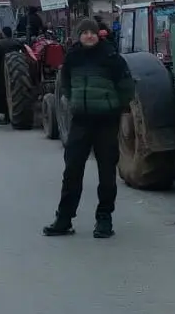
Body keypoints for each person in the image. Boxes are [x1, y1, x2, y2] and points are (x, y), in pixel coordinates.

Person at [44, 18, 135, 240]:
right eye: (84, 33)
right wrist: (73, 100)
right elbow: (64, 83)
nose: (88, 36)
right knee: (72, 170)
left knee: (106, 174)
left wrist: (116, 106)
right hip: (81, 122)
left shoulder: (111, 58)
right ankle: (64, 219)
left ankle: (104, 219)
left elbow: (126, 86)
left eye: (92, 32)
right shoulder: (73, 57)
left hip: (106, 122)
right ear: (79, 35)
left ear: (98, 34)